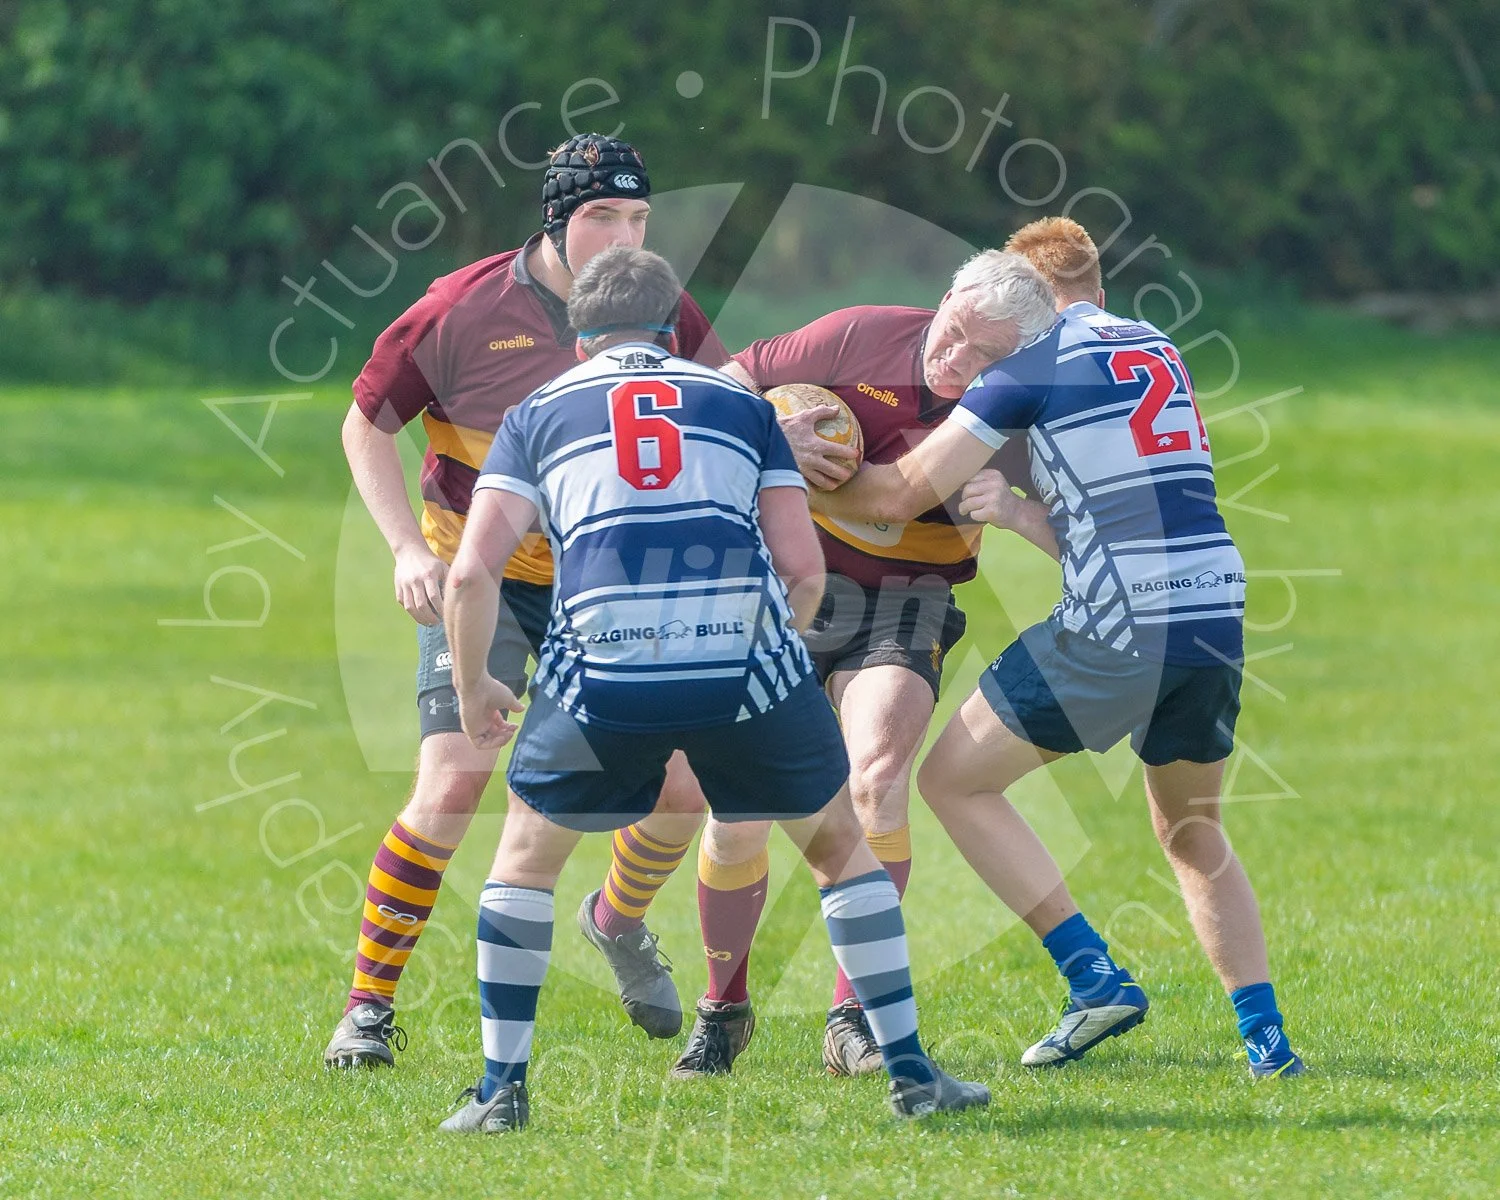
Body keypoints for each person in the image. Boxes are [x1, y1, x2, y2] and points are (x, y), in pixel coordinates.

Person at [435, 246, 989, 1132]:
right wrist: (767, 653)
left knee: (523, 866)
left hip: (600, 669)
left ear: (578, 342)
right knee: (843, 849)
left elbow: (470, 578)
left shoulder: (536, 413)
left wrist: (474, 689)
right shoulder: (740, 405)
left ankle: (501, 1093)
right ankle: (914, 1075)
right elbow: (802, 569)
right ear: (673, 329)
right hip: (745, 666)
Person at [811, 219, 1304, 1079]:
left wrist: (792, 465)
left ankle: (1093, 975)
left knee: (952, 780)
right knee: (1192, 832)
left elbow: (897, 494)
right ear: (1097, 289)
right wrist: (1012, 511)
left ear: (1026, 303)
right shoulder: (1155, 349)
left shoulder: (1026, 369)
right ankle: (1268, 1045)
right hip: (1215, 610)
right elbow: (1128, 511)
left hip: (1119, 627)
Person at [324, 134, 726, 1070]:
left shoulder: (660, 305)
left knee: (682, 786)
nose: (626, 237)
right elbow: (365, 424)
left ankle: (616, 921)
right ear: (555, 219)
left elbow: (718, 402)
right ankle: (368, 1010)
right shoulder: (463, 311)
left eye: (638, 218)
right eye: (602, 218)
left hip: (604, 583)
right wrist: (399, 552)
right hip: (482, 576)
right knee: (457, 780)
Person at [669, 257, 1046, 1079]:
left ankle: (854, 1017)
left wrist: (1018, 512)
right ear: (942, 298)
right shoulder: (859, 334)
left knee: (876, 774)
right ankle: (722, 1008)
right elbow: (715, 392)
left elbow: (1083, 523)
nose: (957, 365)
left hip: (911, 598)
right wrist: (772, 432)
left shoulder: (1028, 406)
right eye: (954, 336)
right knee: (739, 809)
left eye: (985, 357)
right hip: (792, 588)